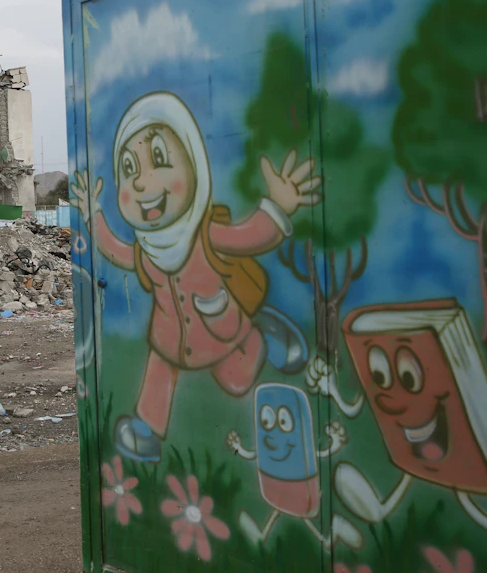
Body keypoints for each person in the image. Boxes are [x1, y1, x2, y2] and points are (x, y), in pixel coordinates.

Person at [71, 91, 320, 462]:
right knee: (160, 370)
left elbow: (249, 236)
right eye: (129, 168)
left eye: (158, 158)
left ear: (195, 165)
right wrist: (93, 215)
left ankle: (262, 333)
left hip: (221, 327)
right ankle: (146, 430)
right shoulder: (148, 248)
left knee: (237, 380)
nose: (140, 183)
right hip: (169, 338)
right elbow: (116, 252)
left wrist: (278, 207)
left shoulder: (203, 233)